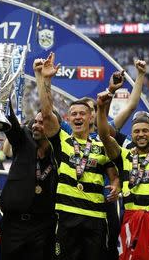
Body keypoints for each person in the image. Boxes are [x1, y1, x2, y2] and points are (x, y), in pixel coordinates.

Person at [36, 53, 119, 260]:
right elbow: (46, 114)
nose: (78, 117)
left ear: (91, 116)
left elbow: (114, 173)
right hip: (66, 215)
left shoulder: (102, 143)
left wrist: (116, 183)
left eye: (82, 113)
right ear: (68, 118)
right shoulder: (61, 139)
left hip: (96, 217)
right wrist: (45, 79)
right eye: (73, 114)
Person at [96, 91, 149, 260]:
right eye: (136, 131)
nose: (140, 134)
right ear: (131, 135)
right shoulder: (124, 155)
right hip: (131, 222)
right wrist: (100, 108)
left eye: (145, 130)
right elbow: (104, 135)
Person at [0, 100, 60, 259]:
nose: (36, 126)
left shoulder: (59, 152)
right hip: (14, 224)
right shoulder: (23, 139)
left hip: (44, 226)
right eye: (36, 122)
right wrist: (5, 100)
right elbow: (11, 125)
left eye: (42, 123)